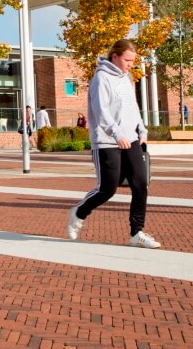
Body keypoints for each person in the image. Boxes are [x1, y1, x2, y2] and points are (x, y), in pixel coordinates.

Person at [67, 39, 161, 248]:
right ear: (115, 56)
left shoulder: (126, 77)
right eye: (127, 60)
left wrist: (141, 129)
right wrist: (117, 133)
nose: (130, 65)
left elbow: (133, 107)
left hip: (131, 139)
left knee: (140, 183)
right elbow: (100, 112)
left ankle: (137, 233)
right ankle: (79, 212)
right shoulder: (101, 79)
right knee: (107, 189)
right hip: (107, 141)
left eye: (132, 61)